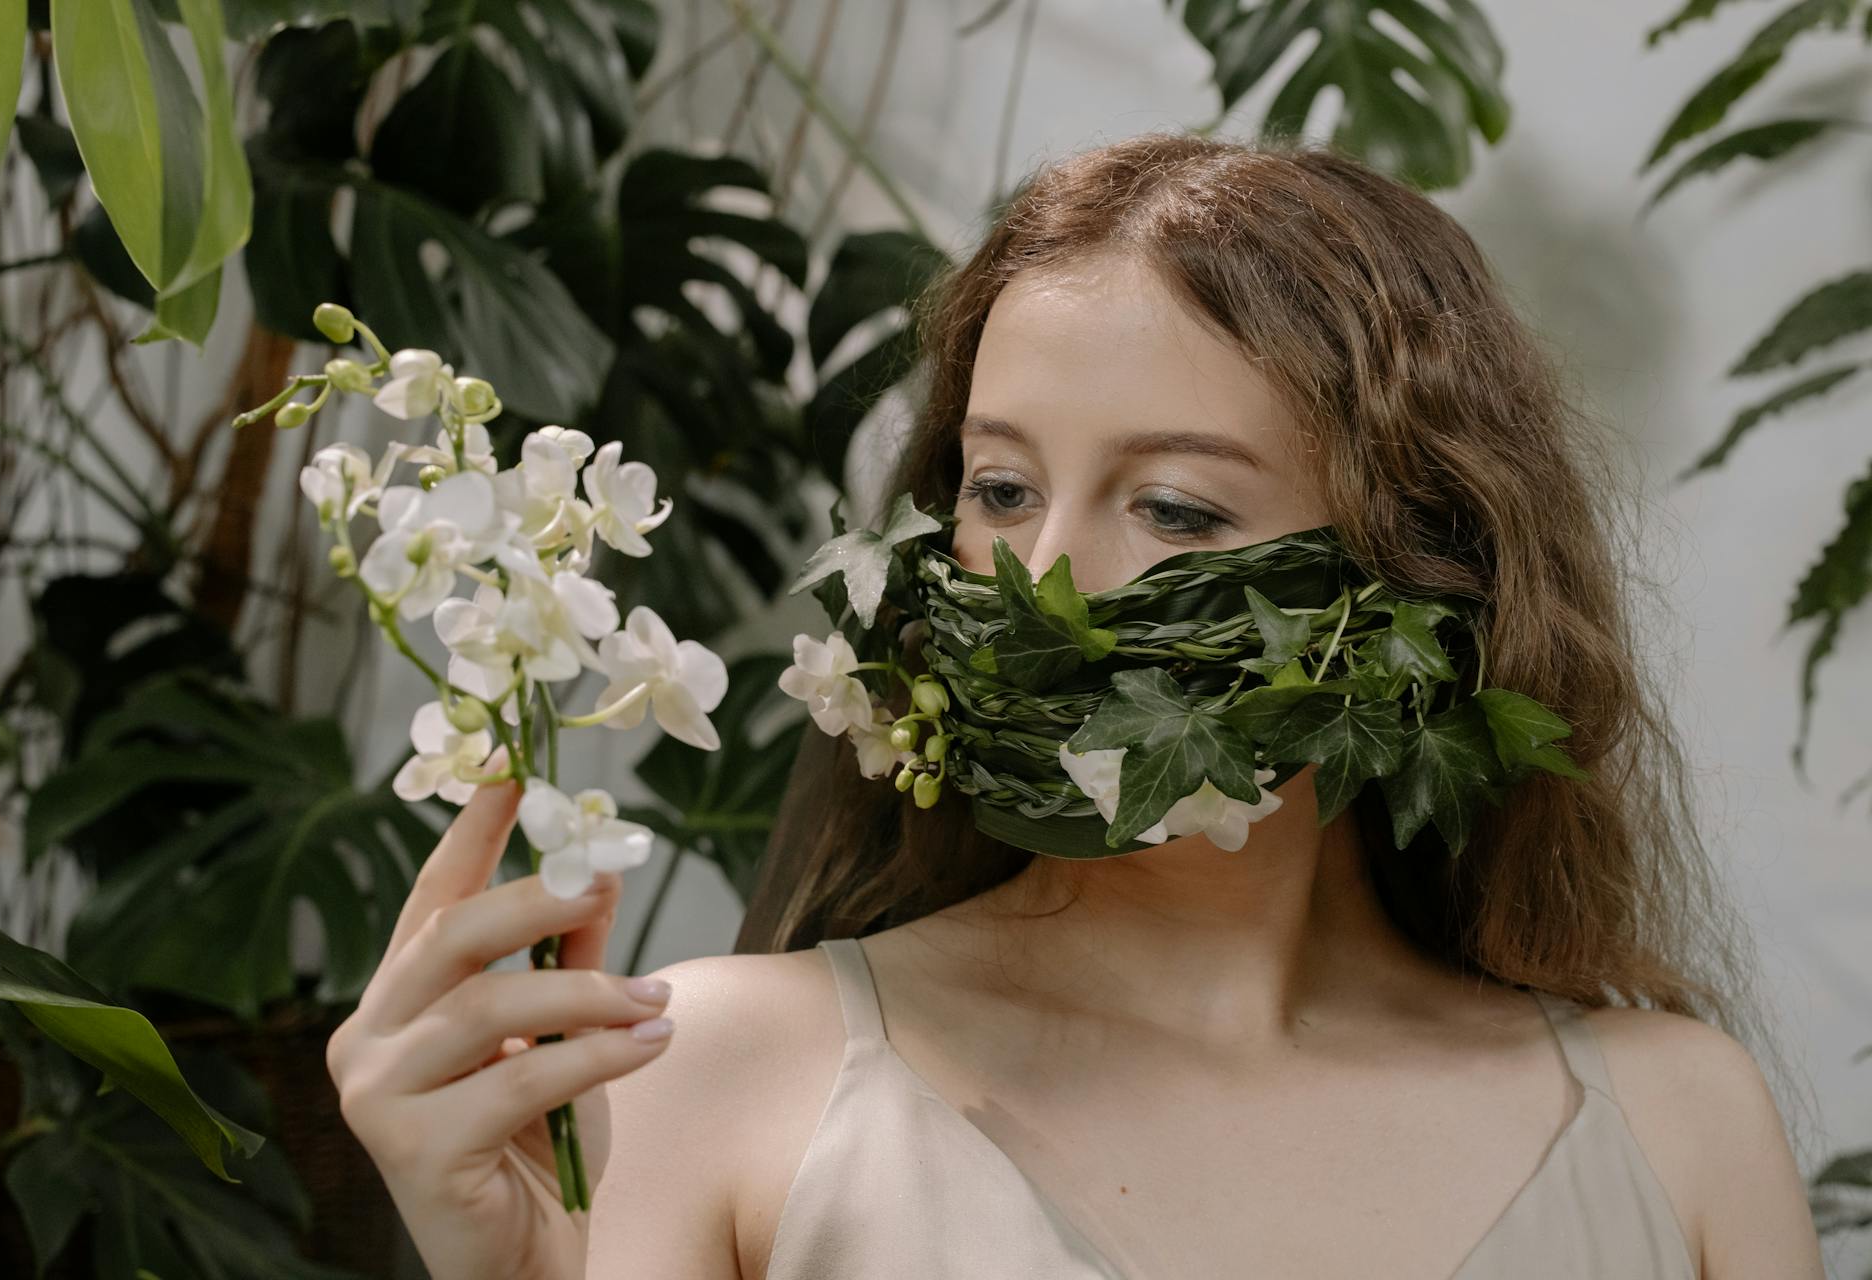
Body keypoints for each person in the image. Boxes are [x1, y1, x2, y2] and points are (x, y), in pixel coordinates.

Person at [326, 132, 1826, 1279]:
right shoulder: (713, 1076)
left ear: (1419, 577)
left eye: (1173, 507)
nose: (1048, 580)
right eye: (999, 489)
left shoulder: (1673, 1126)